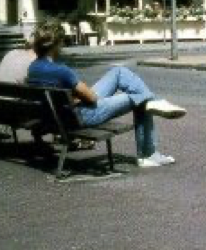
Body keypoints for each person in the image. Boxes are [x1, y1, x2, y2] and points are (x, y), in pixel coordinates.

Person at [26, 24, 186, 168]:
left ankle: (154, 102)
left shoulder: (33, 68)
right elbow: (92, 98)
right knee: (140, 97)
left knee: (119, 72)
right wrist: (77, 97)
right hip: (82, 116)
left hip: (62, 115)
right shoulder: (61, 70)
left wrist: (74, 98)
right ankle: (148, 154)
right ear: (56, 45)